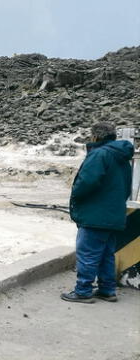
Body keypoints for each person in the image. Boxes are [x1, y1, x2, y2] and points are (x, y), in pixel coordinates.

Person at [61, 122, 134, 303]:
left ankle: (83, 291)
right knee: (106, 254)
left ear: (95, 136)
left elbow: (86, 183)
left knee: (88, 254)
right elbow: (126, 188)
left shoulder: (99, 154)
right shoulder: (122, 157)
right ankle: (107, 290)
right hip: (114, 214)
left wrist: (76, 198)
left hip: (95, 215)